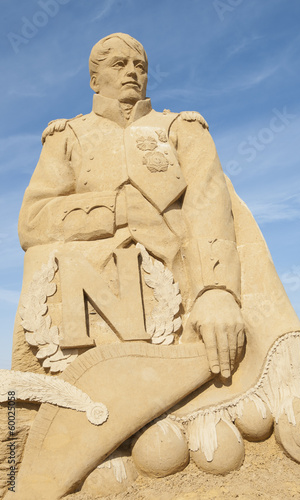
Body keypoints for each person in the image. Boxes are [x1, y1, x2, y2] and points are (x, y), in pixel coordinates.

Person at [16, 32, 246, 378]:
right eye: (119, 64)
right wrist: (120, 209)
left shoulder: (181, 128)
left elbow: (209, 208)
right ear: (95, 80)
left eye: (140, 66)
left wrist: (215, 291)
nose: (132, 72)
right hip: (90, 290)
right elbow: (33, 222)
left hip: (177, 279)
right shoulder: (67, 137)